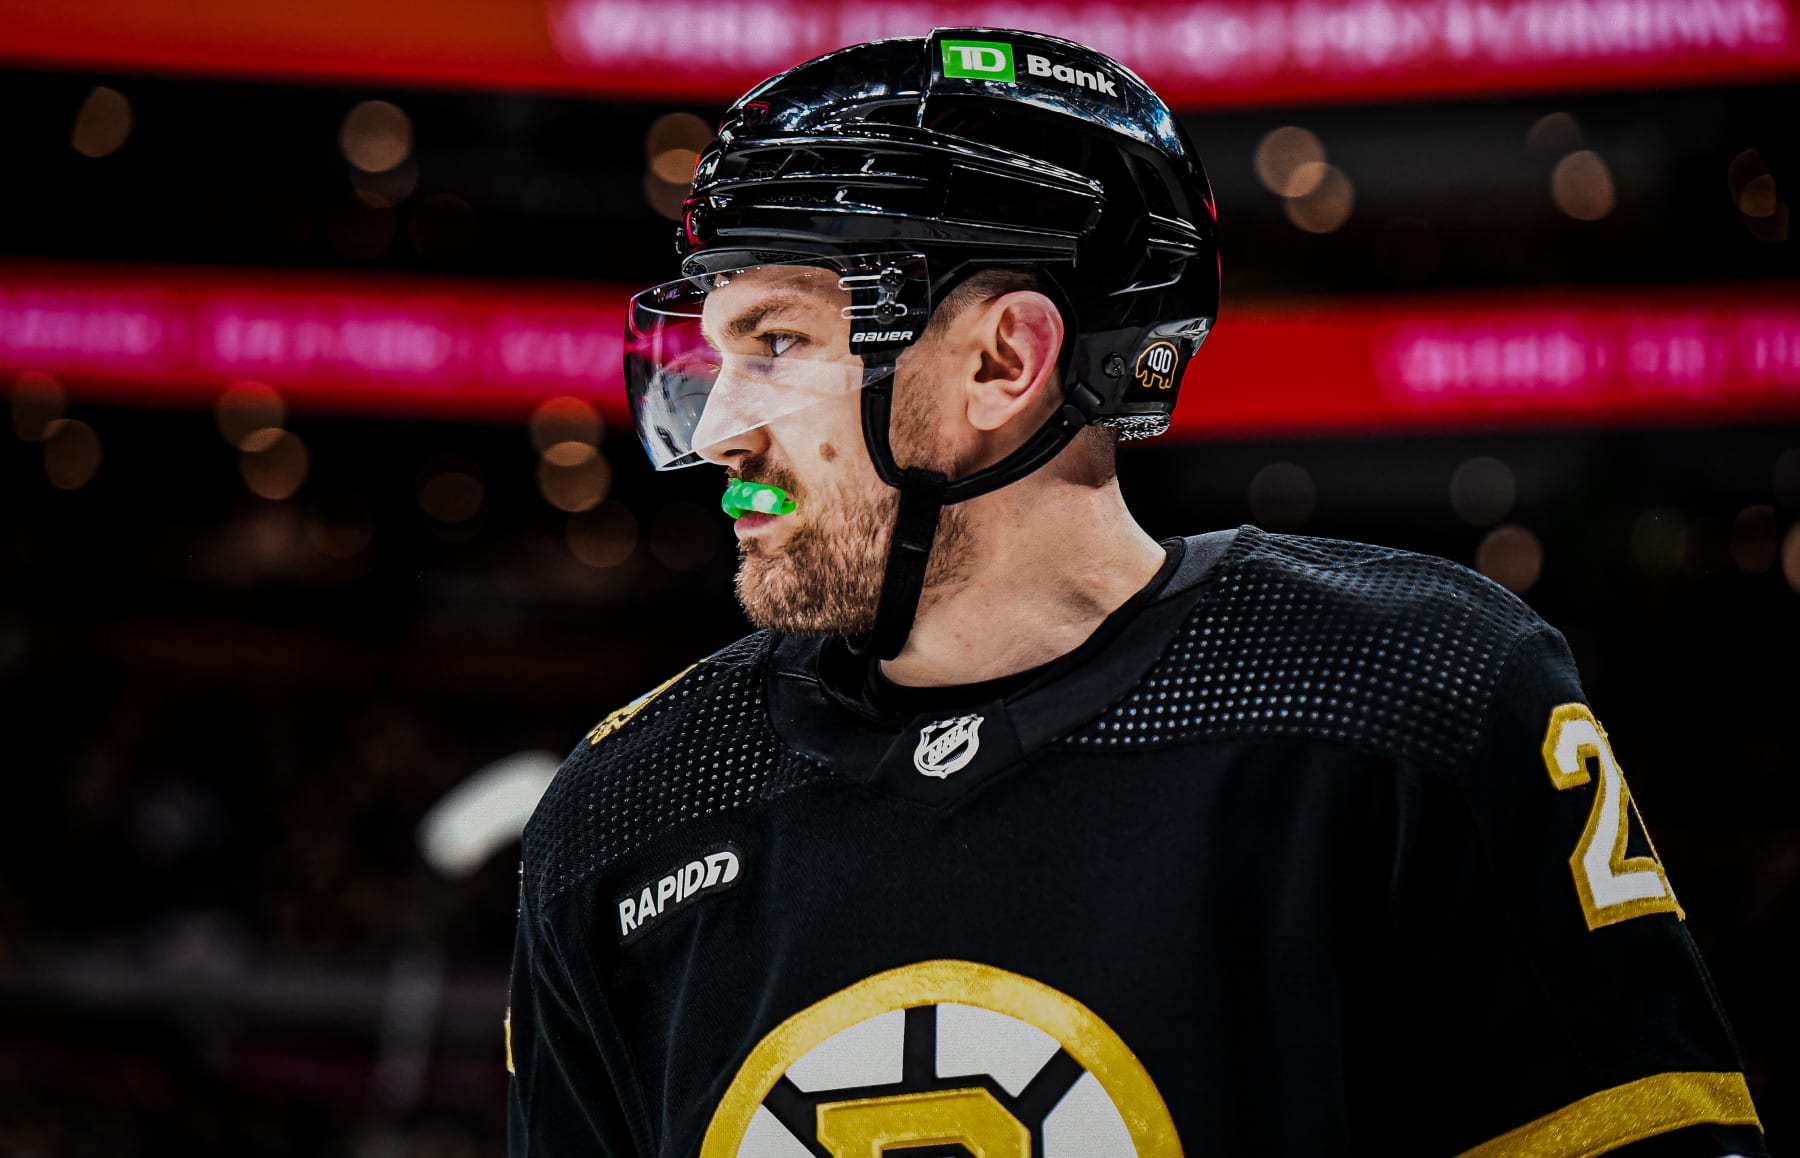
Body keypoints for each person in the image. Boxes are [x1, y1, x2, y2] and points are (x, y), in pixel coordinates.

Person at [506, 28, 1767, 1157]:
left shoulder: (1411, 693)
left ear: (1008, 358)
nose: (720, 423)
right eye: (713, 352)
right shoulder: (622, 809)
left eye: (777, 342)